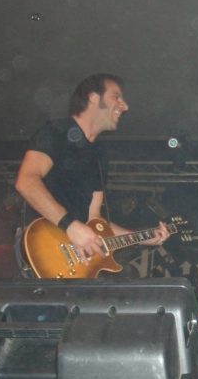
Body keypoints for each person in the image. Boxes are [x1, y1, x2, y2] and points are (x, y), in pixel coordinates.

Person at [15, 73, 170, 273]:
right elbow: (26, 181)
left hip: (77, 262)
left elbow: (95, 222)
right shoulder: (56, 132)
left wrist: (142, 237)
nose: (125, 106)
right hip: (41, 246)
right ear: (94, 98)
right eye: (116, 97)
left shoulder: (99, 157)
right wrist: (71, 226)